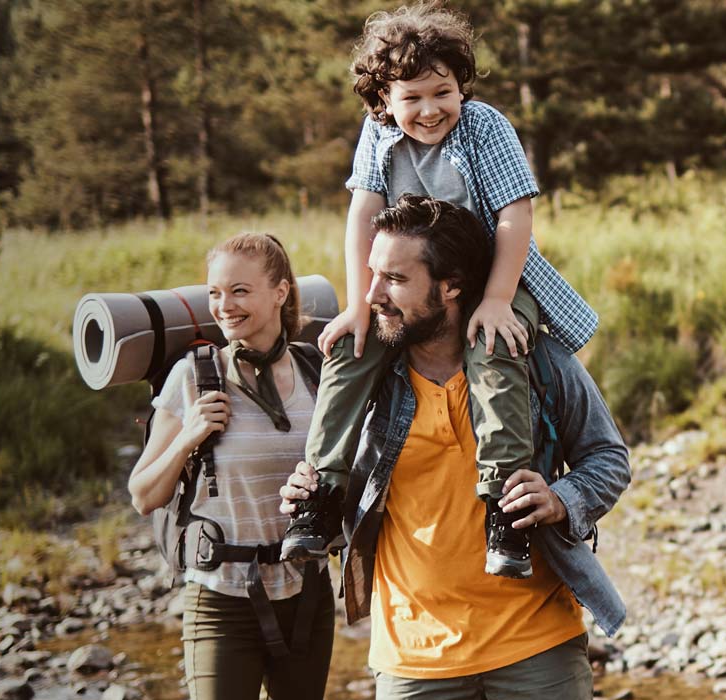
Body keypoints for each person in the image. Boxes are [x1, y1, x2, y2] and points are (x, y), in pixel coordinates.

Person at [283, 1, 602, 579]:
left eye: (443, 92)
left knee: (493, 353)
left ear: (462, 85)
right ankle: (323, 491)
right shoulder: (378, 136)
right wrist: (360, 303)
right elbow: (363, 213)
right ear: (384, 100)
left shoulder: (485, 127)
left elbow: (514, 215)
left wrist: (499, 299)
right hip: (406, 284)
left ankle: (504, 500)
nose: (430, 111)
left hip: (495, 276)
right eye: (412, 99)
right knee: (349, 353)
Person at [281, 195, 629, 700]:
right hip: (412, 659)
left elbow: (609, 457)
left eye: (396, 280)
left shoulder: (535, 361)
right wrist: (306, 491)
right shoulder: (366, 375)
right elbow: (337, 489)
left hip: (537, 645)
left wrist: (561, 499)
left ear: (453, 286)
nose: (372, 294)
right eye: (372, 273)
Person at [128, 233, 332, 700]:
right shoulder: (193, 378)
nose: (224, 306)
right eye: (215, 293)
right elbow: (143, 495)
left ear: (280, 292)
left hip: (307, 596)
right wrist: (187, 436)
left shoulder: (317, 374)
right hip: (221, 600)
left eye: (240, 291)